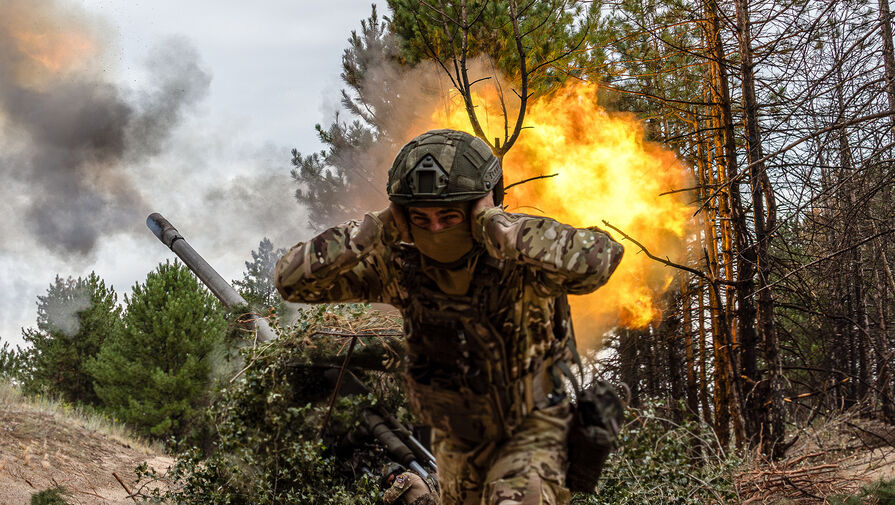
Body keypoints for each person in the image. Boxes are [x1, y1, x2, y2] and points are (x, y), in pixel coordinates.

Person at [275, 129, 624, 505]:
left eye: (449, 215)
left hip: (532, 428)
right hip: (455, 440)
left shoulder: (523, 258)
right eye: (421, 219)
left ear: (481, 205)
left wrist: (499, 225)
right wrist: (375, 228)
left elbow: (598, 259)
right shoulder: (399, 266)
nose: (437, 229)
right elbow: (291, 281)